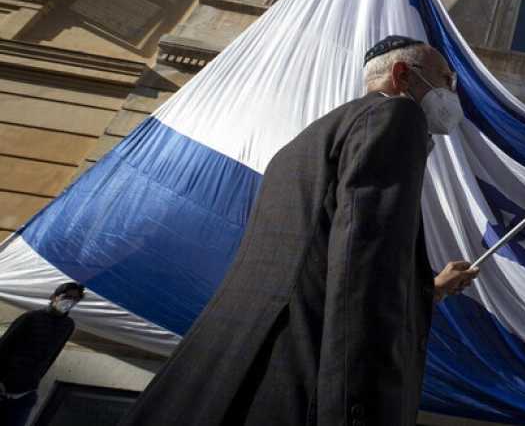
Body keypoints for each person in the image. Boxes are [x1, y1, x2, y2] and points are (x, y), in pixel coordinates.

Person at [121, 36, 479, 426]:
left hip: (226, 372)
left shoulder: (304, 142)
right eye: (445, 79)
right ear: (402, 75)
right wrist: (358, 408)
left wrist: (431, 288)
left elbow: (317, 255)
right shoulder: (396, 116)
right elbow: (365, 268)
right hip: (299, 382)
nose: (451, 91)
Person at [0, 282, 85, 426]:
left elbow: (52, 356)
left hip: (27, 392)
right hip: (4, 387)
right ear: (54, 297)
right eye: (66, 296)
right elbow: (4, 347)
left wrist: (36, 380)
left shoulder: (68, 325)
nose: (69, 301)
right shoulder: (30, 318)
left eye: (74, 299)